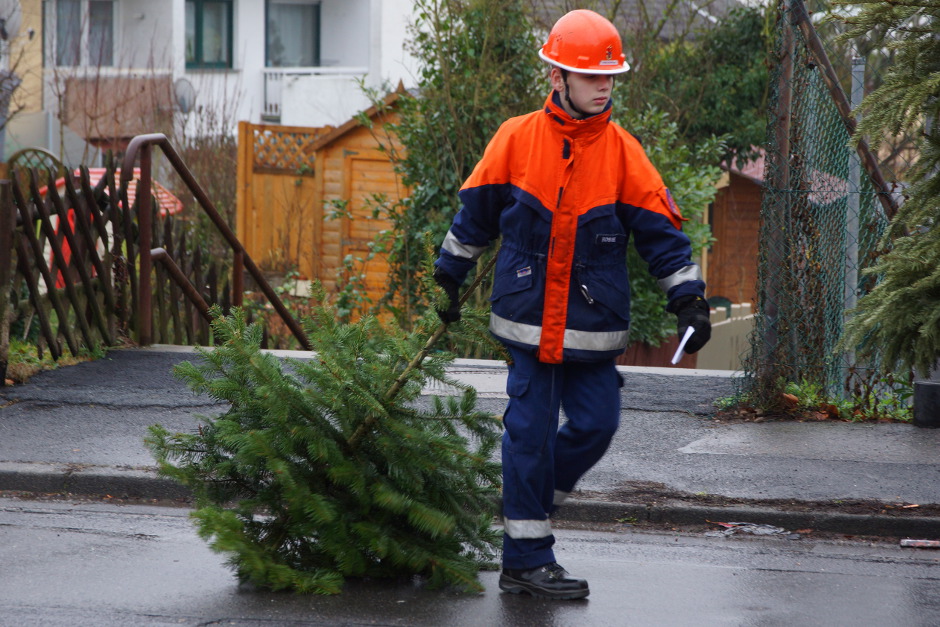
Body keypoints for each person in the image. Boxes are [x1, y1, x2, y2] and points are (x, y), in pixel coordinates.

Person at [433, 9, 711, 600]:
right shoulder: (516, 138)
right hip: (528, 328)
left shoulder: (623, 153)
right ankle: (526, 560)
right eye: (592, 76)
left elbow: (663, 237)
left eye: (610, 76)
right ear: (558, 77)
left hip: (590, 331)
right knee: (527, 437)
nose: (605, 85)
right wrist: (448, 276)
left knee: (597, 424)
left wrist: (690, 300)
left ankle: (526, 506)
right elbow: (474, 219)